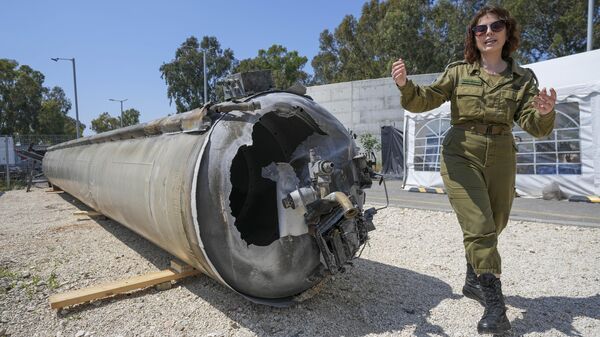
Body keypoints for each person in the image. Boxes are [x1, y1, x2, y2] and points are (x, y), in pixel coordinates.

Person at [391, 5, 556, 335]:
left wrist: (545, 112)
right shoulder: (459, 72)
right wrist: (406, 85)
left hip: (502, 154)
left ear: (507, 32)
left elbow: (534, 126)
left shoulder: (523, 79)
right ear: (474, 37)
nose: (488, 33)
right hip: (461, 152)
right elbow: (424, 99)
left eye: (495, 26)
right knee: (479, 224)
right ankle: (496, 305)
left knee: (495, 222)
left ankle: (473, 280)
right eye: (481, 29)